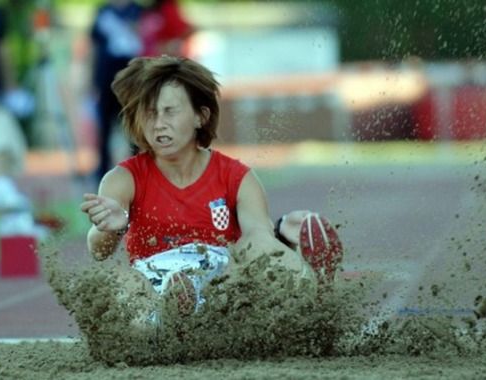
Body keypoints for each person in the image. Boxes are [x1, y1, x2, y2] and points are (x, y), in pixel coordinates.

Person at [80, 56, 342, 320]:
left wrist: (280, 251)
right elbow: (98, 251)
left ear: (200, 117)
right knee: (125, 283)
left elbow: (257, 238)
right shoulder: (122, 179)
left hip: (220, 283)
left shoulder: (236, 177)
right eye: (150, 113)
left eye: (170, 111)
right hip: (152, 285)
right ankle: (168, 319)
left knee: (253, 252)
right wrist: (113, 228)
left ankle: (311, 296)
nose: (159, 123)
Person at [90, 0, 143, 181]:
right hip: (106, 80)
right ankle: (102, 171)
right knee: (104, 127)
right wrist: (93, 80)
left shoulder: (138, 11)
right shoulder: (103, 11)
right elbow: (94, 48)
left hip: (132, 80)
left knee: (133, 127)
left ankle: (137, 168)